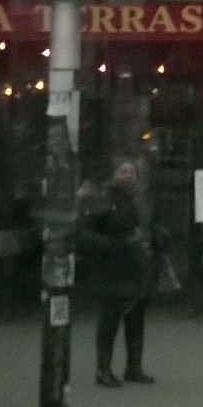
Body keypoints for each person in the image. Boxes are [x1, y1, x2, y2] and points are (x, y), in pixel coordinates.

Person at [77, 159, 159, 388]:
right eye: (123, 171)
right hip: (113, 268)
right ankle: (103, 370)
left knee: (135, 318)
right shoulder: (103, 199)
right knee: (110, 319)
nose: (129, 175)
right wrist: (115, 244)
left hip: (136, 268)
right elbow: (84, 234)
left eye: (132, 171)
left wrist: (157, 236)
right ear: (112, 175)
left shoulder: (139, 199)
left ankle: (133, 367)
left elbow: (146, 228)